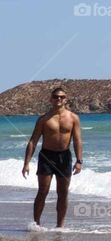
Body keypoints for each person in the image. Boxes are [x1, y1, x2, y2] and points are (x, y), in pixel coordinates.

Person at [22, 86, 83, 228]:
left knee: (63, 192)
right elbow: (33, 141)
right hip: (47, 156)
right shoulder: (44, 119)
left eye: (61, 97)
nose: (59, 99)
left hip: (64, 157)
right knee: (43, 191)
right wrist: (26, 163)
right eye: (56, 97)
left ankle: (60, 226)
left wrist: (79, 160)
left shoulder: (73, 118)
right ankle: (36, 224)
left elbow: (78, 140)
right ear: (51, 99)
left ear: (66, 99)